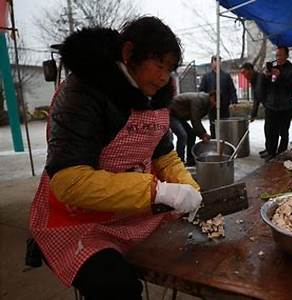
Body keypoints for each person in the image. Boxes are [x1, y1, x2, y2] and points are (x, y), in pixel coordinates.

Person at [28, 17, 202, 300]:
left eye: (169, 69)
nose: (163, 77)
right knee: (115, 286)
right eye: (159, 65)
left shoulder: (155, 96)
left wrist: (188, 187)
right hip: (78, 221)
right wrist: (159, 191)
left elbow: (165, 157)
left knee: (195, 250)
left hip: (134, 211)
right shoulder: (83, 91)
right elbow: (69, 181)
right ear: (128, 53)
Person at [262, 46, 292, 160]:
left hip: (285, 106)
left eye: (280, 55)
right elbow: (269, 86)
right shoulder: (273, 68)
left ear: (287, 55)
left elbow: (291, 87)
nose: (278, 58)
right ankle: (270, 152)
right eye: (276, 55)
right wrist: (266, 77)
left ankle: (281, 153)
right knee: (269, 130)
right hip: (271, 105)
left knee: (283, 131)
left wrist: (280, 76)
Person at [170, 91, 215, 166]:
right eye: (215, 101)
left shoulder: (207, 103)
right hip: (171, 113)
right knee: (182, 135)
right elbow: (195, 118)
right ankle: (179, 162)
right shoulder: (200, 99)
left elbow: (197, 119)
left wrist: (202, 133)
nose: (215, 104)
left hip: (179, 116)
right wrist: (202, 134)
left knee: (191, 134)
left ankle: (190, 160)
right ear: (212, 97)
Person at [199, 55, 237, 138]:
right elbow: (201, 90)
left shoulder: (226, 76)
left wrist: (234, 101)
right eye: (215, 61)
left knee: (225, 125)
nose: (217, 63)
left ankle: (225, 143)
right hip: (212, 106)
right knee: (213, 126)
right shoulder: (206, 77)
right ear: (212, 63)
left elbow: (232, 89)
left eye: (219, 61)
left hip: (224, 105)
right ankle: (214, 142)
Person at [239, 62, 268, 158]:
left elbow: (258, 96)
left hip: (273, 106)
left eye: (245, 72)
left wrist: (253, 114)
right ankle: (269, 149)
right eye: (242, 73)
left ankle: (274, 151)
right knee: (268, 129)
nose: (244, 75)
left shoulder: (260, 77)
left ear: (250, 70)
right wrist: (253, 114)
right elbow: (256, 98)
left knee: (272, 129)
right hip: (268, 105)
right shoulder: (254, 79)